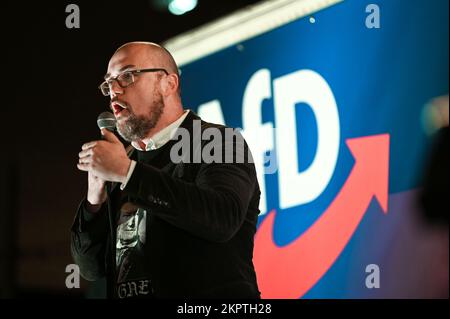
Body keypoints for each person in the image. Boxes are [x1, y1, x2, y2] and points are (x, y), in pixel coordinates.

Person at [71, 42, 261, 299]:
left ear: (168, 84)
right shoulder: (125, 159)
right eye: (108, 83)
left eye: (127, 76)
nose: (113, 91)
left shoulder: (217, 141)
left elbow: (221, 218)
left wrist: (128, 173)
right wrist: (96, 196)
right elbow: (92, 268)